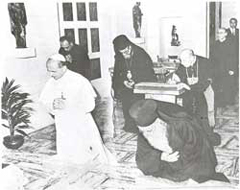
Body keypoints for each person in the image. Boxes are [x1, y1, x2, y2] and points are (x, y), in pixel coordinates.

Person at [129, 99, 230, 183]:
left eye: (150, 130)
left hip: (190, 160)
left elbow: (196, 149)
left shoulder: (182, 124)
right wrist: (160, 156)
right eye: (142, 131)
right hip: (170, 162)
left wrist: (176, 158)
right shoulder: (144, 131)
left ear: (160, 122)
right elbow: (142, 159)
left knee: (193, 176)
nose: (147, 134)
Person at [39, 54, 113, 165]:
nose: (50, 74)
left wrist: (69, 105)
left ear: (63, 68)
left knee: (84, 154)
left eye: (53, 71)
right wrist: (53, 103)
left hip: (80, 121)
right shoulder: (51, 81)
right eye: (49, 71)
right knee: (67, 152)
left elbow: (90, 104)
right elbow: (44, 100)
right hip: (62, 121)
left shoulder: (79, 80)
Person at [112, 35, 157, 133]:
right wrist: (124, 81)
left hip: (141, 84)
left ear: (129, 46)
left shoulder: (141, 54)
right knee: (126, 101)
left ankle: (140, 125)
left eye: (126, 52)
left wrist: (135, 80)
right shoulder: (120, 55)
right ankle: (129, 125)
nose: (124, 55)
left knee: (138, 104)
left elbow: (147, 72)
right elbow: (117, 72)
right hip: (127, 85)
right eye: (122, 53)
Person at [175, 49, 220, 145]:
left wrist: (187, 86)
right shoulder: (185, 62)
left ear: (191, 58)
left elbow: (205, 82)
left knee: (205, 115)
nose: (182, 64)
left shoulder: (205, 63)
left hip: (204, 91)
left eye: (184, 61)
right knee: (188, 112)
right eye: (181, 62)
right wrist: (176, 79)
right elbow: (179, 73)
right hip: (190, 92)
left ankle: (208, 137)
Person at [211, 28, 238, 109]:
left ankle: (228, 104)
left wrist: (232, 69)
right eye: (218, 33)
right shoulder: (215, 44)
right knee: (218, 86)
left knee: (227, 86)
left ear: (226, 34)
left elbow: (234, 57)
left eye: (221, 33)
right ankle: (220, 104)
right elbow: (212, 57)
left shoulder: (231, 44)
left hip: (227, 68)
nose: (219, 34)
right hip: (217, 68)